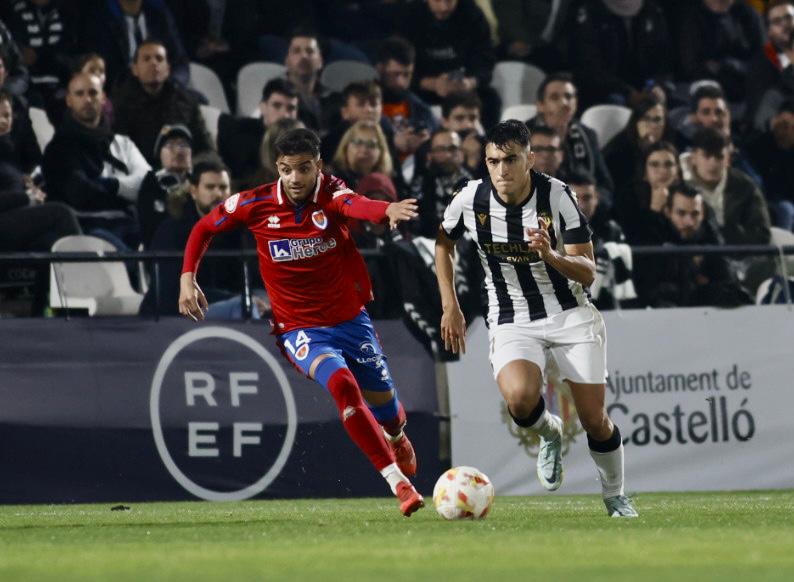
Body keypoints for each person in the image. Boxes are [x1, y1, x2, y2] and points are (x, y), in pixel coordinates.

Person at [178, 127, 424, 516]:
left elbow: (357, 204)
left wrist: (386, 210)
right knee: (342, 385)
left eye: (304, 168)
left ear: (318, 166)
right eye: (287, 169)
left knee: (387, 408)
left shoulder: (331, 192)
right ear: (277, 167)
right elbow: (203, 227)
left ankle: (395, 434)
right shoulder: (255, 203)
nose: (295, 178)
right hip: (300, 328)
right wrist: (187, 278)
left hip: (350, 320)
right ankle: (399, 484)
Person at [434, 120, 637, 518]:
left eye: (511, 160)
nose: (502, 170)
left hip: (570, 313)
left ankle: (615, 496)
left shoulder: (557, 195)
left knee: (595, 420)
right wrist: (450, 305)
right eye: (493, 161)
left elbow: (588, 271)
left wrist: (551, 255)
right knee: (520, 399)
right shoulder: (470, 199)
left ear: (530, 159)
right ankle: (549, 431)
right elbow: (444, 244)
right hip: (512, 316)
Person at [43, 72, 151, 249]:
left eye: (93, 93)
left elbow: (147, 184)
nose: (87, 99)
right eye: (80, 94)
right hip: (85, 230)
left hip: (131, 224)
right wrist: (126, 192)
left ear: (103, 98)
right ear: (69, 100)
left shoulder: (122, 143)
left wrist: (110, 185)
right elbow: (80, 194)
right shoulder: (58, 149)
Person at [113, 40, 213, 165]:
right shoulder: (122, 105)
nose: (154, 63)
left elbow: (204, 147)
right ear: (135, 69)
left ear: (168, 69)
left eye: (159, 59)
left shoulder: (185, 101)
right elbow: (121, 154)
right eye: (146, 59)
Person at [137, 124, 193, 248]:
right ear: (159, 153)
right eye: (170, 145)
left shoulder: (200, 181)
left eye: (184, 145)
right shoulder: (151, 182)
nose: (178, 151)